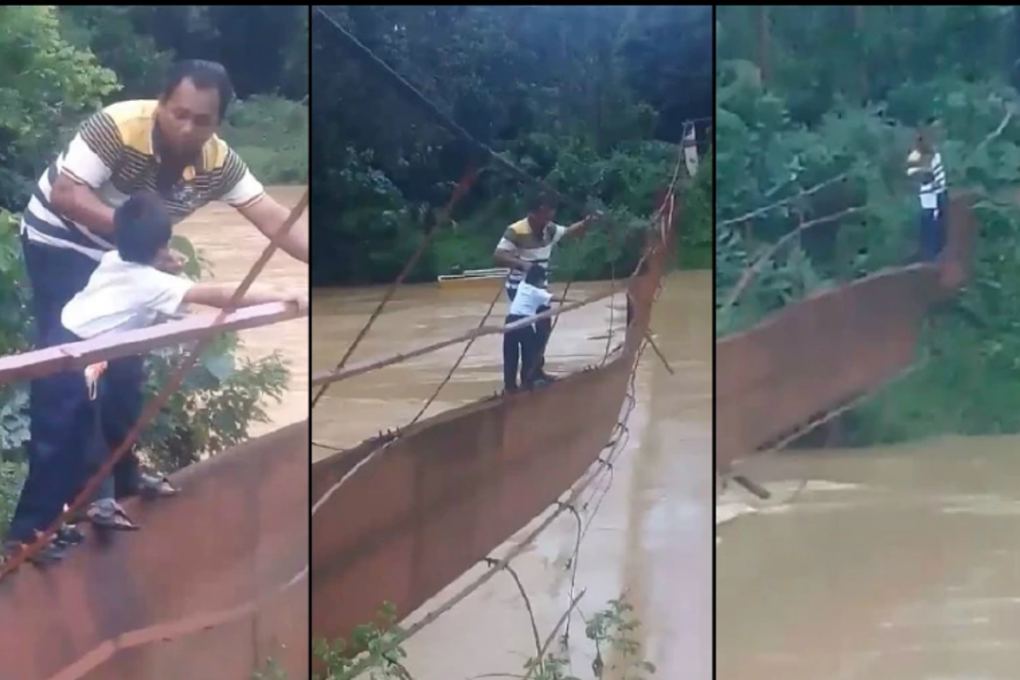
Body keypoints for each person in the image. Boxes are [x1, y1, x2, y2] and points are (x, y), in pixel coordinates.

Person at [9, 60, 308, 562]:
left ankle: (120, 480)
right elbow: (66, 194)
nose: (187, 128)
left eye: (202, 120)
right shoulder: (119, 126)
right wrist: (138, 244)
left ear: (218, 123)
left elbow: (274, 218)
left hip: (128, 259)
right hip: (60, 243)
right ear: (161, 103)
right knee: (70, 381)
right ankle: (40, 523)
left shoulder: (218, 161)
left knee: (126, 372)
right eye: (179, 113)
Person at [493, 194, 598, 380]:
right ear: (533, 214)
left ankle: (535, 370)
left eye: (550, 214)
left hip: (540, 287)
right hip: (519, 287)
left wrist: (587, 222)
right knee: (526, 332)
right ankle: (527, 376)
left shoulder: (549, 229)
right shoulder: (516, 230)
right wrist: (523, 265)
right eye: (544, 215)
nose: (548, 219)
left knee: (543, 330)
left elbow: (569, 232)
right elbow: (499, 255)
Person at [504, 265, 553, 392]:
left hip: (510, 321)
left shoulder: (522, 285)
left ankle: (509, 386)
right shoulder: (538, 293)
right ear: (539, 280)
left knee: (510, 356)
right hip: (525, 323)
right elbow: (553, 298)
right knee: (529, 355)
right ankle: (526, 384)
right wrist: (577, 302)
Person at [906, 122, 948, 262]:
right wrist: (923, 172)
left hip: (938, 194)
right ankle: (929, 257)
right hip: (927, 197)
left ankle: (936, 255)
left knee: (939, 226)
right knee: (929, 226)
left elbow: (937, 176)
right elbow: (913, 173)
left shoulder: (935, 155)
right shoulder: (916, 156)